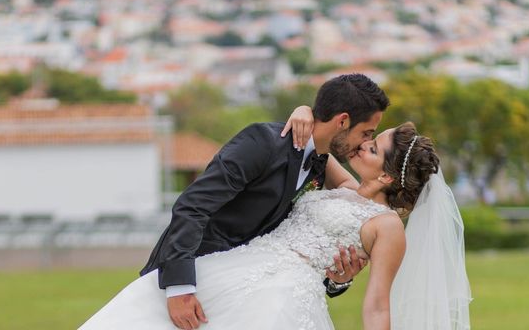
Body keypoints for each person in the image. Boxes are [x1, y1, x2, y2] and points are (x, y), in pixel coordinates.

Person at [78, 120, 471, 329]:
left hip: (283, 293)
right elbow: (314, 139)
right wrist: (303, 110)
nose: (360, 145)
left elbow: (378, 305)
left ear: (386, 177)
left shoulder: (387, 228)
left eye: (371, 147)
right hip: (239, 266)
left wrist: (340, 281)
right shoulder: (346, 186)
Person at [80, 74, 390, 329]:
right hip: (198, 278)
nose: (365, 142)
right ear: (342, 121)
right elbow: (192, 205)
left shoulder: (321, 164)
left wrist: (338, 282)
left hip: (250, 296)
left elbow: (308, 236)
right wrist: (179, 289)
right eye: (366, 132)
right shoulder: (262, 143)